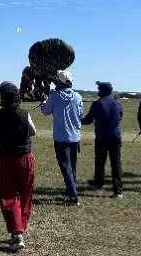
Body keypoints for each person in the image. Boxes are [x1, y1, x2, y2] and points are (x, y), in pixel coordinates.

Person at [0, 82, 36, 252]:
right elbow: (33, 132)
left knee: (8, 196)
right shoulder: (25, 113)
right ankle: (21, 226)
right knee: (25, 194)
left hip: (6, 160)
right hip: (25, 158)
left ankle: (17, 233)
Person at [40, 70, 83, 205]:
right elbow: (80, 114)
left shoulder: (54, 96)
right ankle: (71, 189)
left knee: (65, 167)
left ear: (59, 82)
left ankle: (73, 196)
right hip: (75, 137)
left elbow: (45, 111)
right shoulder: (78, 96)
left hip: (61, 138)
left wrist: (43, 102)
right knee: (72, 167)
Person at [82, 81, 123, 199]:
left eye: (99, 89)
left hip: (102, 137)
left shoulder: (97, 104)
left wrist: (77, 120)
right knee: (116, 163)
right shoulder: (117, 103)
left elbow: (88, 120)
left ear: (103, 91)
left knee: (100, 161)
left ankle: (99, 183)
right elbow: (120, 116)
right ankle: (118, 190)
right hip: (116, 136)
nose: (97, 91)